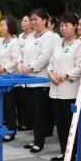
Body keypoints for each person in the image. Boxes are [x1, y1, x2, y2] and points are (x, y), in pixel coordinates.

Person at [47, 12, 81, 161]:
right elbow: (51, 61)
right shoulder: (58, 43)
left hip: (70, 90)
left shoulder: (80, 44)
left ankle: (72, 153)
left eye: (67, 25)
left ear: (75, 26)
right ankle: (63, 151)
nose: (63, 28)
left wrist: (63, 76)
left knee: (70, 123)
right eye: (62, 25)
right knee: (60, 123)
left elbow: (80, 66)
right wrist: (51, 73)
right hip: (55, 88)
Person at [17, 8, 54, 153]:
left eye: (36, 19)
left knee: (39, 113)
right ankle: (35, 138)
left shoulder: (49, 37)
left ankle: (39, 141)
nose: (33, 22)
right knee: (31, 112)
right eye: (31, 19)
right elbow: (21, 52)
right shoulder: (31, 36)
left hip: (40, 80)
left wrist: (30, 68)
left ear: (44, 21)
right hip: (27, 80)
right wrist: (20, 64)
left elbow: (44, 57)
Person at [0, 16, 22, 141]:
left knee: (10, 106)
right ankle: (4, 128)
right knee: (4, 106)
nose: (0, 28)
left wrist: (4, 69)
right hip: (0, 78)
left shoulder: (14, 42)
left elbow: (16, 61)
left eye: (2, 25)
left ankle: (11, 131)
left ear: (10, 27)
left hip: (10, 79)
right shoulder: (1, 42)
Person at [16, 15, 34, 131]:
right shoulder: (20, 36)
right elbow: (19, 52)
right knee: (21, 100)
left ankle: (28, 122)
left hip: (29, 71)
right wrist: (20, 63)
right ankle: (22, 121)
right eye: (22, 20)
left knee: (27, 100)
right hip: (20, 69)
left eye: (25, 21)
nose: (22, 23)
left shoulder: (33, 36)